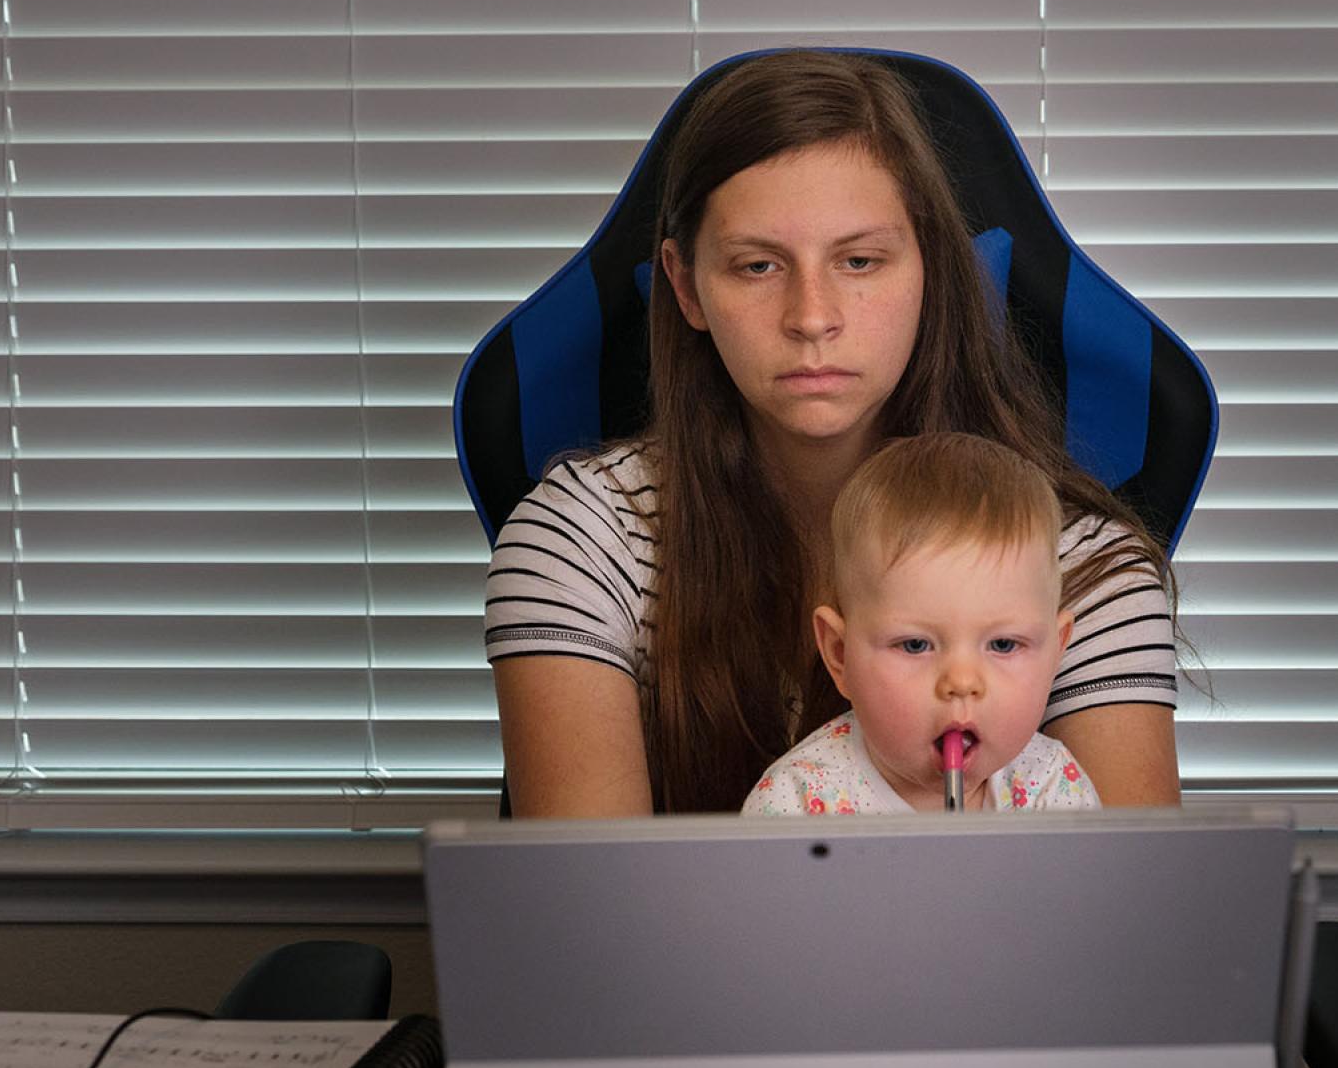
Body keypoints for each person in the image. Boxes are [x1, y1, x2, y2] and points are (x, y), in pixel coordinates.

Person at [483, 48, 1180, 816]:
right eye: (757, 266)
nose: (812, 316)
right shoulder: (581, 539)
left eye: (858, 259)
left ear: (930, 269)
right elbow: (590, 916)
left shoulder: (1083, 564)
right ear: (686, 286)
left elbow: (1131, 916)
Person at [744, 432, 1100, 815]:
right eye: (915, 645)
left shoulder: (1054, 788)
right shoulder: (793, 805)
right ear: (840, 655)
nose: (962, 683)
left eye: (1003, 645)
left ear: (1055, 652)